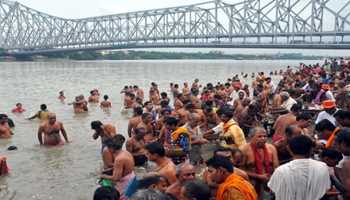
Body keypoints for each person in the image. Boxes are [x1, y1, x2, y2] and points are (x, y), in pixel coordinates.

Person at [268, 135, 331, 200]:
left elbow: (273, 191)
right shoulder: (322, 167)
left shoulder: (281, 171)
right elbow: (325, 189)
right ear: (311, 150)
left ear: (289, 150)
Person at [240, 127, 279, 199]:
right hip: (252, 183)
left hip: (270, 182)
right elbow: (241, 171)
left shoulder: (271, 148)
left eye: (265, 136)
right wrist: (259, 176)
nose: (263, 138)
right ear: (251, 137)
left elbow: (276, 167)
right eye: (259, 136)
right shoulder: (244, 149)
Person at [100, 135, 135, 200]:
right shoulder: (126, 153)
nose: (108, 149)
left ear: (112, 148)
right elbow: (126, 167)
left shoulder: (119, 159)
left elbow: (116, 178)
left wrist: (103, 176)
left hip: (125, 182)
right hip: (132, 177)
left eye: (108, 148)